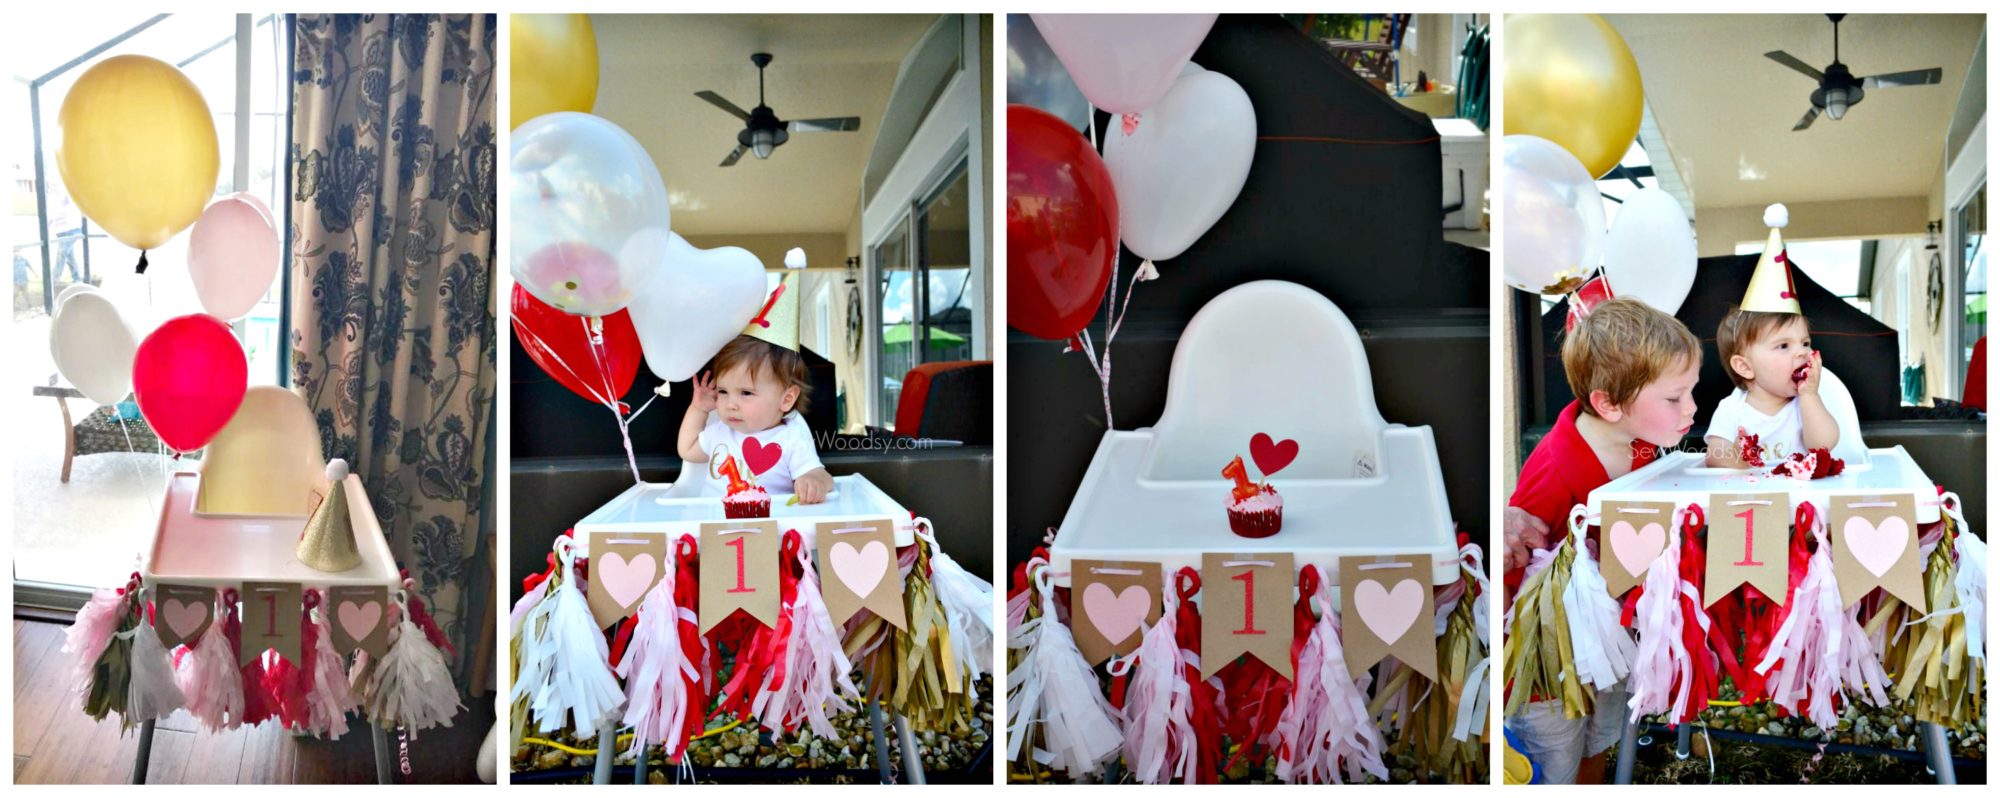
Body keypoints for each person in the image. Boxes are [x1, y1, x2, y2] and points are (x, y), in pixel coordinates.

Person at [1503, 296, 1701, 784]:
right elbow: (1516, 578)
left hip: (1613, 637)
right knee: (1557, 758)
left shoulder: (1641, 448)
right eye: (1674, 398)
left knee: (1600, 736)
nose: (1692, 409)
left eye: (1691, 391)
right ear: (1608, 404)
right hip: (1555, 666)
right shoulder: (1552, 471)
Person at [677, 266, 834, 503]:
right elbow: (687, 450)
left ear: (787, 399)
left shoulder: (790, 436)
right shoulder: (721, 432)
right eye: (723, 391)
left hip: (770, 528)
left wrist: (813, 481)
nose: (730, 404)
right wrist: (698, 409)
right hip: (714, 524)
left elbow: (821, 475)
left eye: (746, 393)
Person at [1703, 204, 1838, 467]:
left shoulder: (1803, 405)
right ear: (1744, 366)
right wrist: (1740, 462)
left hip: (1802, 502)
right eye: (1783, 345)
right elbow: (1714, 456)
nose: (1802, 352)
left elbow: (1823, 445)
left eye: (1805, 343)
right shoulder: (1732, 410)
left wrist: (1810, 396)